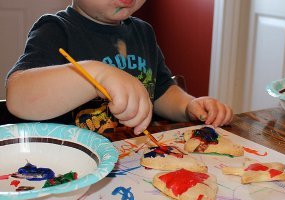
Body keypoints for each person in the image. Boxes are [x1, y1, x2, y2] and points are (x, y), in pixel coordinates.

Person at [5, 0, 233, 136]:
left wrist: (188, 105)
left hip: (132, 163)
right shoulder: (55, 30)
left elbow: (161, 91)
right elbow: (19, 97)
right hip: (74, 170)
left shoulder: (143, 32)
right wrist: (95, 75)